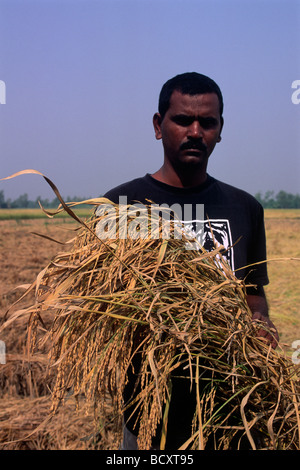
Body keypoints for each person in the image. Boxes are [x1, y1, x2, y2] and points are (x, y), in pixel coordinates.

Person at [104, 72, 279, 449]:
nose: (196, 131)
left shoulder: (245, 207)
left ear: (220, 129)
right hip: (150, 414)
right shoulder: (121, 206)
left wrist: (261, 329)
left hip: (231, 410)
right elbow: (103, 309)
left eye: (207, 122)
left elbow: (252, 292)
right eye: (183, 120)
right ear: (158, 125)